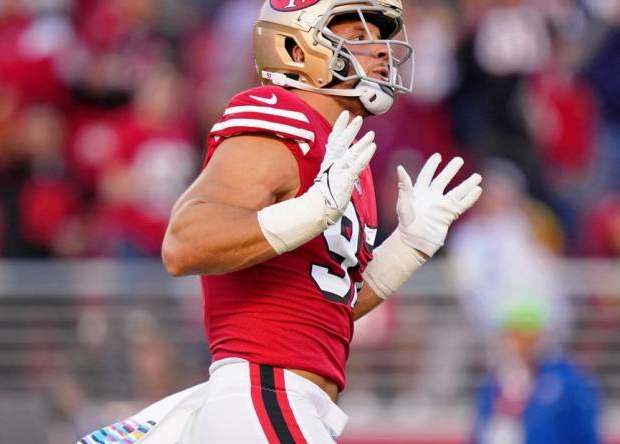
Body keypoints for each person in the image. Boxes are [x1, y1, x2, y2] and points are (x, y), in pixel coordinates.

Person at [79, 1, 483, 443]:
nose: (382, 51)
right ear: (295, 49)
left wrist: (405, 249)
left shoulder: (347, 157)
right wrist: (312, 209)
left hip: (293, 398)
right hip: (265, 388)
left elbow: (324, 307)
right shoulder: (279, 114)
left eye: (382, 36)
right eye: (359, 36)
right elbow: (183, 243)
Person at [470, 299, 601, 444]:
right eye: (509, 335)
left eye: (519, 336)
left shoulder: (566, 383)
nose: (512, 344)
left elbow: (586, 434)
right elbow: (479, 431)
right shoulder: (493, 384)